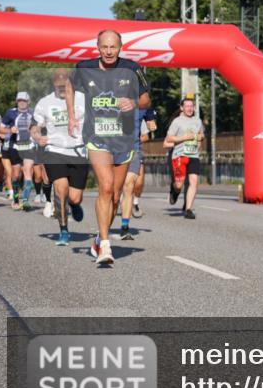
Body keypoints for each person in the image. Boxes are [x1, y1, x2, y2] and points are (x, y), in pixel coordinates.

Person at [65, 29, 151, 267]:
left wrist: (133, 102)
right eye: (105, 47)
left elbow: (146, 99)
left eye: (113, 47)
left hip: (124, 139)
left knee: (114, 195)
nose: (109, 51)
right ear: (98, 47)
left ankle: (97, 239)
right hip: (97, 137)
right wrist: (71, 115)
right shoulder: (84, 68)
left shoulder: (132, 69)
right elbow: (70, 88)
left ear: (120, 47)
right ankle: (105, 244)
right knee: (105, 186)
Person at [32, 69, 87, 246]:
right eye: (59, 85)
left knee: (75, 197)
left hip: (79, 150)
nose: (62, 88)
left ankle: (75, 205)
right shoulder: (45, 102)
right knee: (60, 188)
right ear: (54, 83)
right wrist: (36, 135)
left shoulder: (83, 99)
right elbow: (35, 125)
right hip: (54, 149)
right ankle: (63, 230)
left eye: (65, 84)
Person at [118, 107, 156, 239]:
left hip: (134, 150)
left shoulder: (142, 108)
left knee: (130, 186)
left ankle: (124, 227)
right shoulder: (109, 100)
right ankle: (104, 229)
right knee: (113, 191)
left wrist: (152, 125)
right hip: (113, 151)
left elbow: (149, 128)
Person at [164, 95, 204, 219]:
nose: (189, 108)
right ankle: (174, 189)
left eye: (191, 106)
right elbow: (169, 138)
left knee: (194, 181)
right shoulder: (177, 121)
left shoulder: (198, 120)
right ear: (182, 108)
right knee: (179, 184)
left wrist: (200, 138)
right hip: (179, 155)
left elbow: (201, 134)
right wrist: (184, 138)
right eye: (187, 106)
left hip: (193, 155)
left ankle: (188, 209)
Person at [0, 91, 37, 211]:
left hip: (29, 145)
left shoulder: (33, 113)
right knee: (16, 174)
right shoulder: (10, 113)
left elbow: (40, 127)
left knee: (28, 170)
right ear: (16, 102)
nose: (22, 103)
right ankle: (16, 199)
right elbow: (1, 128)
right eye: (19, 100)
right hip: (15, 146)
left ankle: (25, 200)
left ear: (28, 102)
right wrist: (10, 130)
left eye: (24, 101)